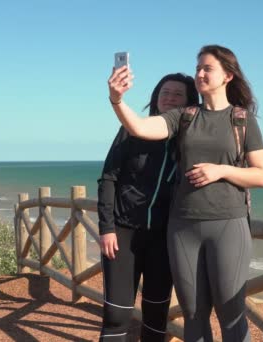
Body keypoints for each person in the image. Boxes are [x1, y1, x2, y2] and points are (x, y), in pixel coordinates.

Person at [107, 45, 263, 342]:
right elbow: (141, 127)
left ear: (227, 76)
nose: (199, 74)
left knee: (231, 314)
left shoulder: (242, 120)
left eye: (207, 68)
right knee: (193, 315)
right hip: (182, 227)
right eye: (198, 68)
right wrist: (117, 100)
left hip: (228, 223)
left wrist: (221, 171)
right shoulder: (184, 116)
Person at [97, 73, 199, 341]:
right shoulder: (132, 129)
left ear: (190, 102)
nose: (170, 98)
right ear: (156, 97)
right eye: (165, 92)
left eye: (178, 94)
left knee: (156, 317)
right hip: (123, 233)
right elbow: (108, 178)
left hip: (164, 238)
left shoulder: (192, 140)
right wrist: (107, 227)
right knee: (116, 315)